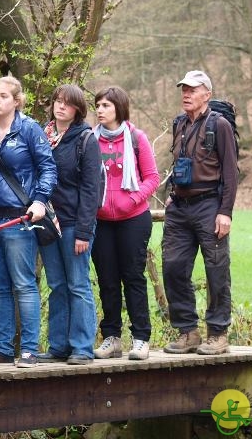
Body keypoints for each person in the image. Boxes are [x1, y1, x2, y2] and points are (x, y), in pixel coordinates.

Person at [0, 76, 57, 368]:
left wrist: (40, 200)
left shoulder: (29, 130)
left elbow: (47, 168)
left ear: (16, 101)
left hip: (20, 218)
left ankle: (29, 350)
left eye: (3, 96)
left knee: (23, 284)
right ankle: (3, 349)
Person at [162, 70, 238, 355]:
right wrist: (172, 195)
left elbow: (230, 172)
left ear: (207, 93)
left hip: (210, 205)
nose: (186, 94)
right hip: (180, 207)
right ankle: (188, 332)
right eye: (183, 89)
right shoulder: (179, 123)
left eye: (192, 89)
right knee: (173, 267)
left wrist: (225, 211)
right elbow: (180, 164)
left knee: (216, 270)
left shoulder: (219, 126)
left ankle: (218, 334)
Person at [90, 86, 160, 360]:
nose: (100, 110)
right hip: (101, 221)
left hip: (133, 219)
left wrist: (131, 201)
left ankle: (141, 338)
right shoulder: (90, 140)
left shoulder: (136, 138)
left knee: (133, 278)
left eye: (106, 105)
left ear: (119, 108)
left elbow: (152, 178)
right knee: (107, 280)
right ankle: (112, 337)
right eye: (97, 105)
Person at [36, 84, 101, 366]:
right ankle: (59, 345)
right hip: (48, 222)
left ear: (77, 109)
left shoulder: (85, 140)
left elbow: (91, 190)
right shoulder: (42, 137)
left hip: (75, 224)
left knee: (78, 284)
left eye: (67, 103)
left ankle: (82, 347)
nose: (60, 106)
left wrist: (85, 231)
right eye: (57, 101)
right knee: (57, 284)